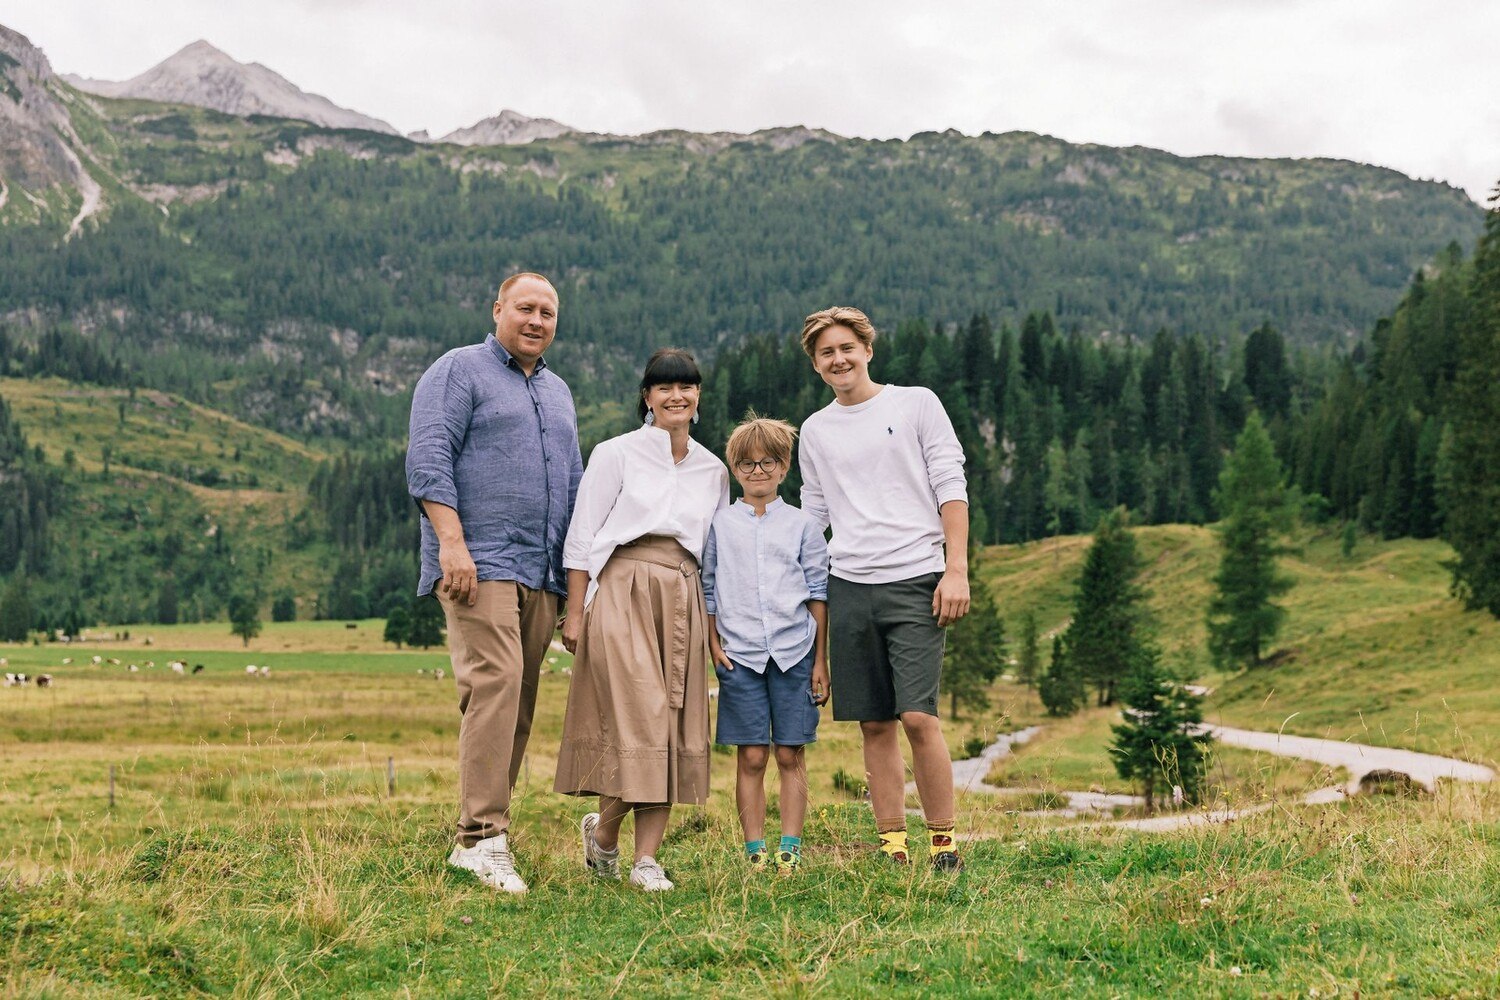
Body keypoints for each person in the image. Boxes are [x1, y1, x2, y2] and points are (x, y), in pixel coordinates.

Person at [405, 271, 583, 894]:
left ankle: (490, 835)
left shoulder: (559, 392)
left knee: (521, 696)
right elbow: (428, 458)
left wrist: (572, 585)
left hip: (542, 569)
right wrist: (452, 545)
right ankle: (479, 839)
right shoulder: (457, 370)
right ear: (498, 309)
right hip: (477, 563)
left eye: (549, 313)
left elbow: (573, 485)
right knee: (496, 681)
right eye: (526, 308)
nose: (537, 321)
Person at [797, 306, 971, 872]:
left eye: (847, 347)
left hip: (917, 576)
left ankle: (943, 843)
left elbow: (951, 483)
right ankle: (893, 845)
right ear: (817, 365)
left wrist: (956, 568)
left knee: (917, 716)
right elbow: (813, 514)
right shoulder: (817, 430)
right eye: (827, 353)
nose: (839, 358)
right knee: (873, 721)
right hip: (849, 582)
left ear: (868, 350)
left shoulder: (915, 403)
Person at [554, 348, 729, 892]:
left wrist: (715, 623)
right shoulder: (616, 454)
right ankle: (610, 838)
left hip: (684, 594)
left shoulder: (713, 469)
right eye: (664, 387)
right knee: (642, 718)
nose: (677, 396)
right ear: (647, 397)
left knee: (673, 725)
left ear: (697, 396)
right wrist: (575, 611)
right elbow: (583, 535)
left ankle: (634, 854)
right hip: (622, 590)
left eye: (687, 386)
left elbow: (716, 553)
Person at [702, 416, 830, 876]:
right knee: (752, 755)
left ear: (784, 467)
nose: (758, 471)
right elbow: (710, 587)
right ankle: (754, 848)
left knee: (789, 753)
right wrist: (713, 645)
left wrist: (821, 661)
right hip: (740, 654)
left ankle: (790, 847)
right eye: (748, 464)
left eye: (768, 462)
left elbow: (818, 591)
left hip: (795, 652)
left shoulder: (802, 526)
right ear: (734, 468)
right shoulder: (720, 525)